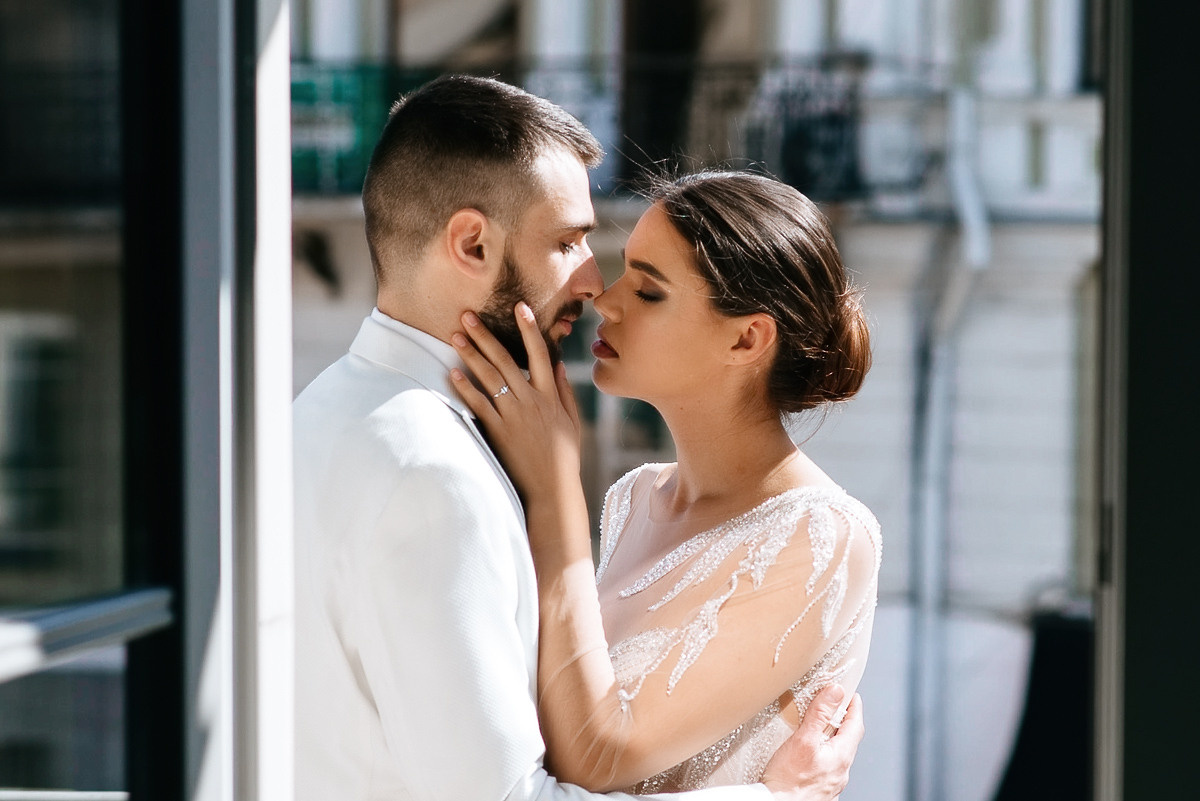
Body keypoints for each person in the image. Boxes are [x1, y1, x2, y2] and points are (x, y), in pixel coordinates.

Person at [293, 75, 863, 801]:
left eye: (646, 286)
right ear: (471, 243)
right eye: (568, 242)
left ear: (749, 339)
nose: (598, 286)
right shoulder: (434, 474)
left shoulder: (315, 415)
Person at [449, 171, 881, 793]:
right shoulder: (634, 497)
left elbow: (598, 757)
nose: (608, 300)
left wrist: (555, 493)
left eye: (649, 291)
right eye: (625, 272)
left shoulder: (821, 534)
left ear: (746, 338)